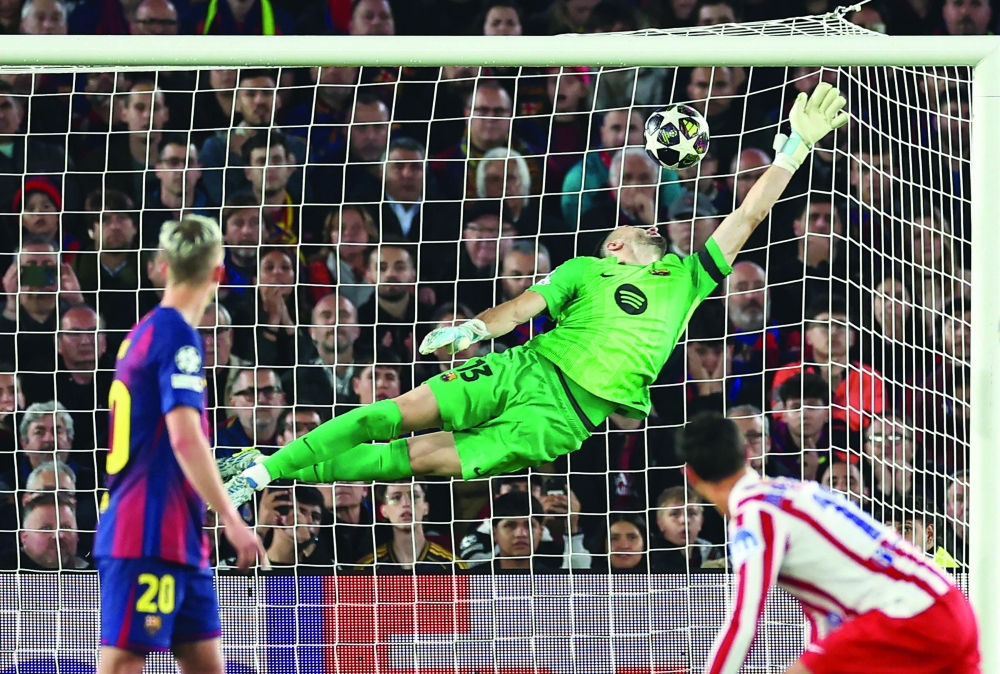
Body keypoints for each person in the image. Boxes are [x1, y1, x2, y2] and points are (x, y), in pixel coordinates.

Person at [221, 83, 850, 510]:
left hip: (563, 418)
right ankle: (265, 472)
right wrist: (475, 331)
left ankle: (272, 462)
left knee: (418, 461)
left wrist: (795, 145)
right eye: (624, 229)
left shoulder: (689, 278)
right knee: (390, 415)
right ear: (615, 249)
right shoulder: (584, 270)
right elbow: (524, 308)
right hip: (526, 366)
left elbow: (747, 213)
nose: (636, 225)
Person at [677, 411, 980, 674]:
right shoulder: (794, 490)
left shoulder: (755, 514)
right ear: (745, 453)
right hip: (950, 606)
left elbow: (744, 621)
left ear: (688, 474)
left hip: (909, 618)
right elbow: (827, 621)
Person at [92, 216, 265, 673]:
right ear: (219, 274)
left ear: (162, 266)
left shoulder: (144, 331)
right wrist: (232, 517)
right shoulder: (177, 337)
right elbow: (186, 438)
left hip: (181, 536)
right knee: (125, 662)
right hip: (147, 530)